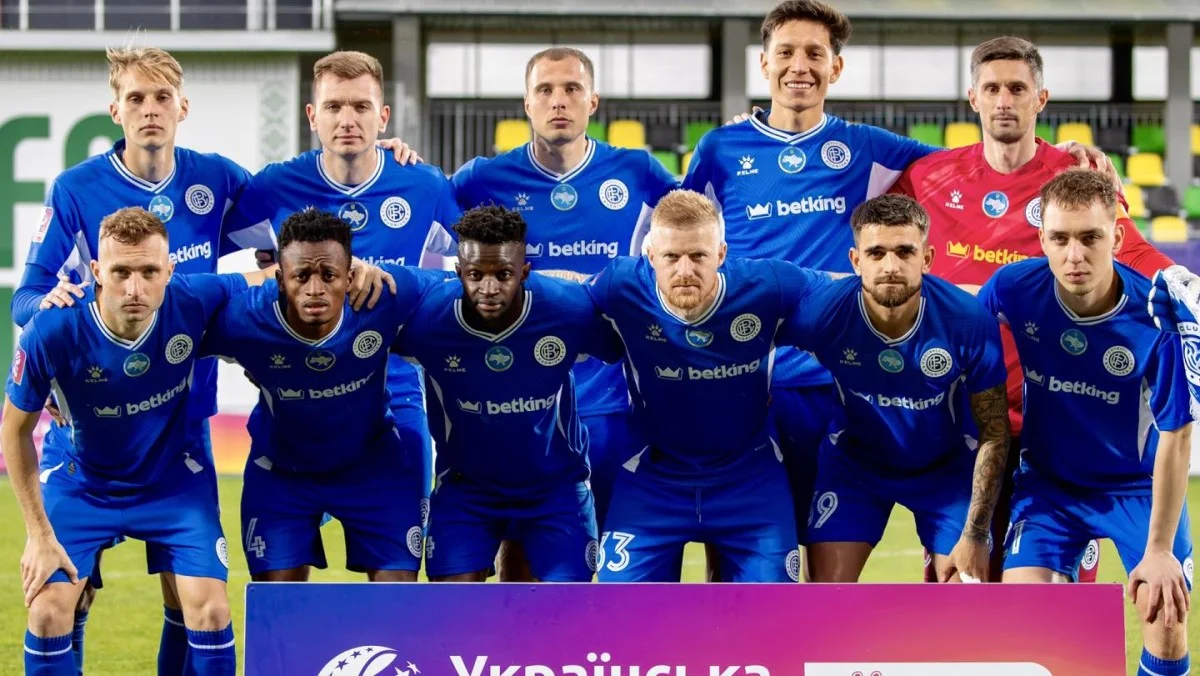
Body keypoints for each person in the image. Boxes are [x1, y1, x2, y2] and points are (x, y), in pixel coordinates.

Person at [9, 46, 406, 674]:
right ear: (115, 109)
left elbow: (290, 244)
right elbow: (26, 299)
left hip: (181, 422)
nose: (149, 110)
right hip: (92, 426)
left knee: (189, 596)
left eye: (161, 97)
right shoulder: (76, 189)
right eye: (135, 98)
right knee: (65, 598)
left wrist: (380, 162)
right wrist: (52, 311)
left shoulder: (218, 181)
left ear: (182, 107)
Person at [890, 35, 1176, 583]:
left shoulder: (1075, 177)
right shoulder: (929, 177)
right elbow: (867, 221)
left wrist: (1183, 284)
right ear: (972, 97)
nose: (1004, 100)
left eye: (1018, 89)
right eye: (992, 88)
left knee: (1055, 594)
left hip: (1056, 421)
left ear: (1040, 98)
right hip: (967, 418)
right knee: (959, 583)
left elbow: (1133, 250)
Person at [2, 207, 275, 676]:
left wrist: (353, 268)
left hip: (172, 483)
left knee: (211, 610)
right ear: (95, 272)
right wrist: (39, 535)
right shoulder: (53, 328)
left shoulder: (192, 297)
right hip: (82, 484)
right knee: (47, 614)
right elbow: (13, 429)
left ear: (169, 270)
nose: (134, 288)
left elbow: (270, 278)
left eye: (149, 272)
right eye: (121, 272)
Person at [451, 46, 679, 580]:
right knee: (523, 565)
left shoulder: (638, 172)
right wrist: (394, 155)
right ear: (526, 103)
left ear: (592, 101)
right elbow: (422, 215)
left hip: (616, 403)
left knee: (621, 568)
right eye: (545, 90)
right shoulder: (483, 180)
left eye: (572, 89)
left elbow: (702, 225)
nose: (559, 101)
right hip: (520, 404)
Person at [226, 50, 463, 536]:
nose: (347, 119)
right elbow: (198, 249)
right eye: (334, 107)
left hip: (395, 393)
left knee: (399, 564)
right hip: (297, 399)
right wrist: (270, 274)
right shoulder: (274, 186)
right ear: (312, 116)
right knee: (281, 567)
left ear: (383, 116)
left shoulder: (424, 186)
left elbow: (477, 271)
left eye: (361, 107)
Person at [978, 170, 1192, 676]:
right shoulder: (1013, 288)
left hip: (1137, 487)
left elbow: (1177, 434)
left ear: (1116, 237)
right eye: (1060, 239)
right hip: (1048, 486)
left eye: (1090, 237)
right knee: (1024, 621)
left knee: (1166, 620)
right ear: (1042, 239)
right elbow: (960, 336)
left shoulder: (1156, 318)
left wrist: (1160, 549)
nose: (1074, 255)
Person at [585, 189, 836, 582]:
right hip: (653, 480)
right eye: (671, 257)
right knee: (622, 608)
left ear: (721, 254)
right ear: (650, 255)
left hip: (750, 480)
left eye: (698, 256)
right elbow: (561, 299)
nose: (685, 270)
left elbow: (847, 292)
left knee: (774, 610)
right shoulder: (620, 286)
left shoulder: (767, 285)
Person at [199, 209, 440, 582]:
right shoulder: (244, 318)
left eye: (328, 275)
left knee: (398, 596)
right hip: (282, 474)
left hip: (373, 467)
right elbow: (170, 324)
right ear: (280, 279)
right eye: (301, 276)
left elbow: (464, 288)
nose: (315, 289)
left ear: (350, 276)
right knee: (278, 601)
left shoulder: (383, 296)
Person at [788, 194, 1010, 583]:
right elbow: (755, 337)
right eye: (876, 253)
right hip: (855, 465)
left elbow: (994, 430)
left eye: (904, 252)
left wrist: (976, 532)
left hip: (946, 471)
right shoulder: (822, 313)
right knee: (825, 595)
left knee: (967, 593)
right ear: (855, 261)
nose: (890, 266)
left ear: (927, 258)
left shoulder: (967, 320)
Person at [392, 205, 620, 582]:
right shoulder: (427, 321)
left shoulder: (567, 309)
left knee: (560, 607)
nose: (489, 288)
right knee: (453, 603)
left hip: (556, 490)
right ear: (458, 272)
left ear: (525, 272)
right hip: (467, 490)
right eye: (475, 275)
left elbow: (625, 342)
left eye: (503, 274)